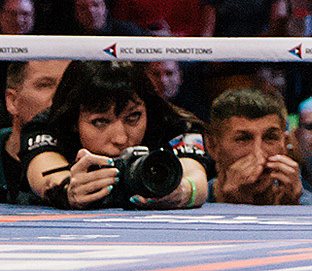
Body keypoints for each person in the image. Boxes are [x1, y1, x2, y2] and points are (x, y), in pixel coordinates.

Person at [22, 60, 208, 209]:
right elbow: (45, 175)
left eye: (133, 117)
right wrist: (68, 189)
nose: (121, 139)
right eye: (100, 122)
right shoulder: (49, 125)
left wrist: (181, 192)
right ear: (73, 121)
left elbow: (196, 179)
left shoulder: (174, 125)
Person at [206, 87, 312, 205]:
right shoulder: (190, 206)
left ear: (285, 143)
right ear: (213, 146)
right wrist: (227, 206)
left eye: (270, 138)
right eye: (243, 139)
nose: (259, 155)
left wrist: (290, 211)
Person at [2, 60, 69, 202]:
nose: (60, 96)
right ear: (12, 101)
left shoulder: (89, 151)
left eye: (67, 85)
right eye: (45, 85)